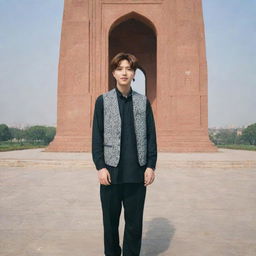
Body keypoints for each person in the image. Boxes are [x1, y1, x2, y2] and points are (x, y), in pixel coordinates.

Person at [92, 52, 157, 256]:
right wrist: (100, 166)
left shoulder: (143, 102)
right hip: (111, 173)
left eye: (129, 69)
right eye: (120, 68)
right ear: (113, 72)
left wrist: (150, 166)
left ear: (134, 73)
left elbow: (150, 136)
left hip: (136, 174)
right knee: (110, 226)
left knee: (134, 226)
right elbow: (97, 136)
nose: (124, 73)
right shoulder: (103, 101)